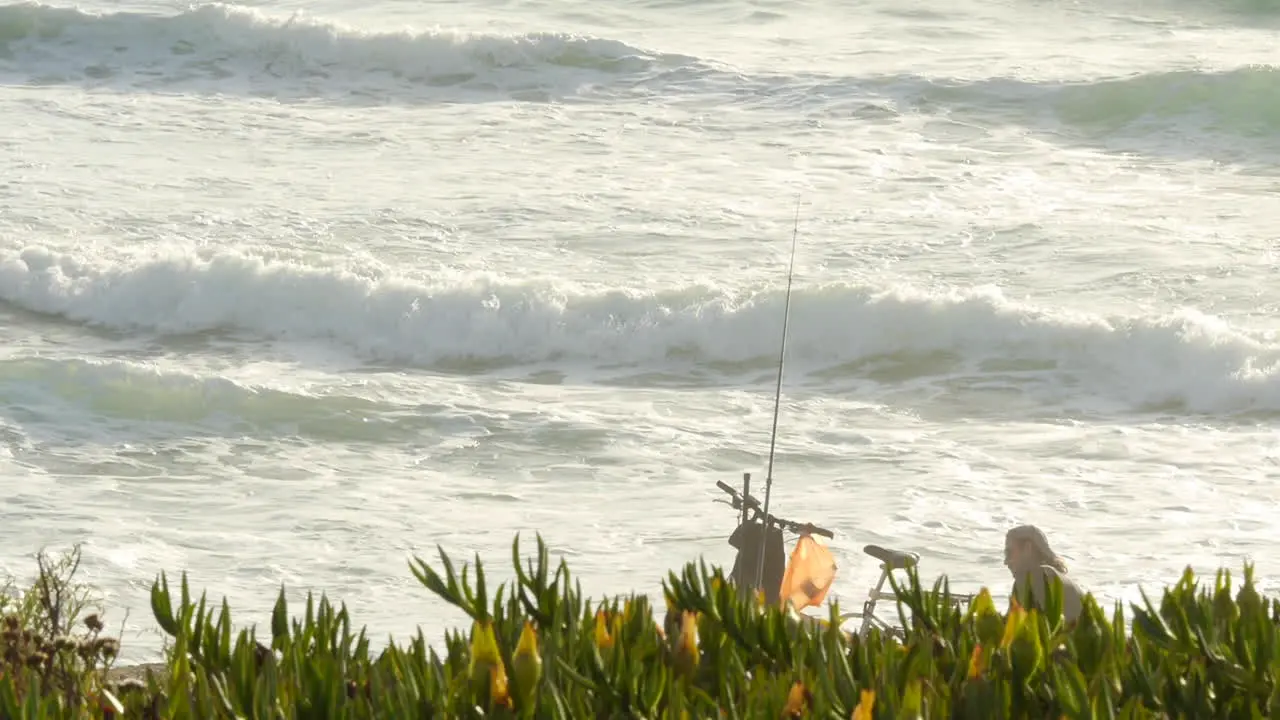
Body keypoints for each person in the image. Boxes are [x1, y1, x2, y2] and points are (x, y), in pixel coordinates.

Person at [1004, 524, 1085, 624]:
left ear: (1027, 548)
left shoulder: (1041, 576)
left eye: (1009, 553)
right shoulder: (1051, 575)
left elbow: (1012, 627)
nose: (1006, 561)